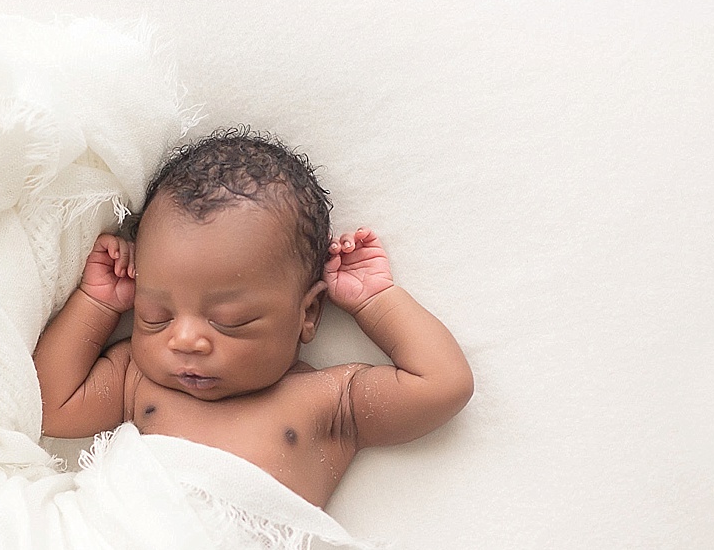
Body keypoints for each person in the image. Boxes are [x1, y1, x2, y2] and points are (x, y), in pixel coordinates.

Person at [31, 128, 473, 509]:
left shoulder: (329, 402)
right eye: (154, 316)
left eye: (230, 321)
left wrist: (375, 301)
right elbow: (50, 406)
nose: (185, 339)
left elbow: (442, 386)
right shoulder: (137, 379)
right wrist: (98, 304)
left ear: (309, 313)